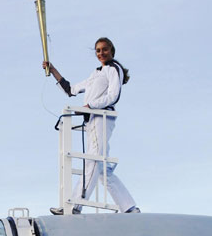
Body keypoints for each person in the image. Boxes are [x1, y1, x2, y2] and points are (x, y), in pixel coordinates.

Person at [43, 37, 140, 215]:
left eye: (104, 49)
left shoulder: (113, 69)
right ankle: (129, 207)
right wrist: (53, 70)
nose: (101, 53)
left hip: (102, 117)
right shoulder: (96, 73)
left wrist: (90, 106)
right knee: (102, 169)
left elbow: (113, 96)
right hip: (92, 120)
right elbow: (71, 89)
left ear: (111, 51)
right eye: (97, 50)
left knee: (93, 160)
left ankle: (74, 206)